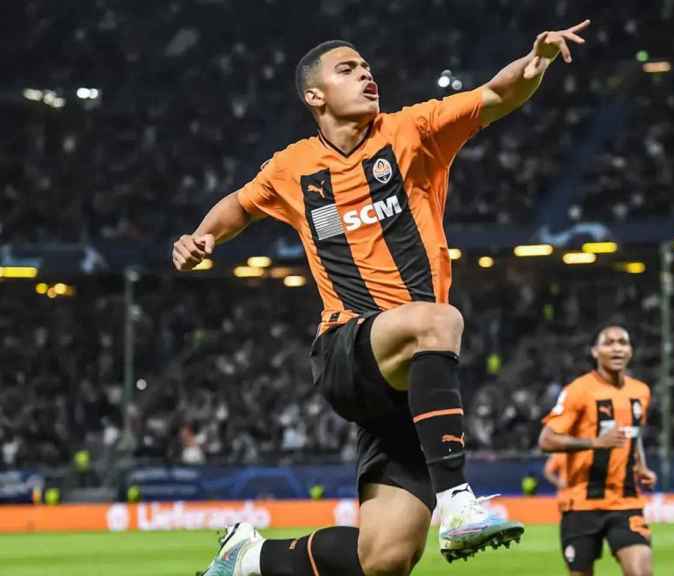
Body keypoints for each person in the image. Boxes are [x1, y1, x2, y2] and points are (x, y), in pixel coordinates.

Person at [176, 19, 592, 576]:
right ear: (315, 95)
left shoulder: (413, 131)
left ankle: (251, 557)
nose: (366, 75)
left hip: (402, 386)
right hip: (347, 348)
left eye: (367, 67)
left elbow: (495, 94)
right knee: (439, 320)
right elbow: (240, 204)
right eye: (347, 70)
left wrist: (535, 63)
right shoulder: (291, 167)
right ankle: (458, 501)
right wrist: (204, 236)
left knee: (384, 560)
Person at [537, 326, 656, 576]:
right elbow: (547, 440)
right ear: (595, 351)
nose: (616, 348)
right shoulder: (578, 390)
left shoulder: (641, 392)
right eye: (608, 343)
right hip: (581, 504)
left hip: (625, 501)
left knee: (641, 572)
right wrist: (594, 443)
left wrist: (641, 465)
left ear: (630, 351)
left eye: (622, 342)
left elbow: (635, 433)